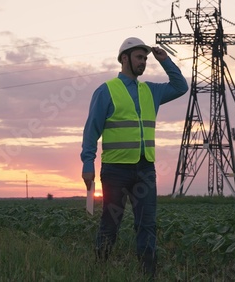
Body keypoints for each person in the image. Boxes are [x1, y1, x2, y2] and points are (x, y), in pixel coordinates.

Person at [80, 37, 188, 276]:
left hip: (145, 169)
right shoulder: (107, 90)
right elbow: (91, 130)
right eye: (140, 57)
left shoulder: (152, 91)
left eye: (146, 58)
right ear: (125, 58)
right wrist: (88, 163)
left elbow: (181, 87)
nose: (144, 62)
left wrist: (165, 61)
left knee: (147, 224)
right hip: (115, 170)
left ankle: (147, 274)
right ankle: (99, 271)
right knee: (110, 224)